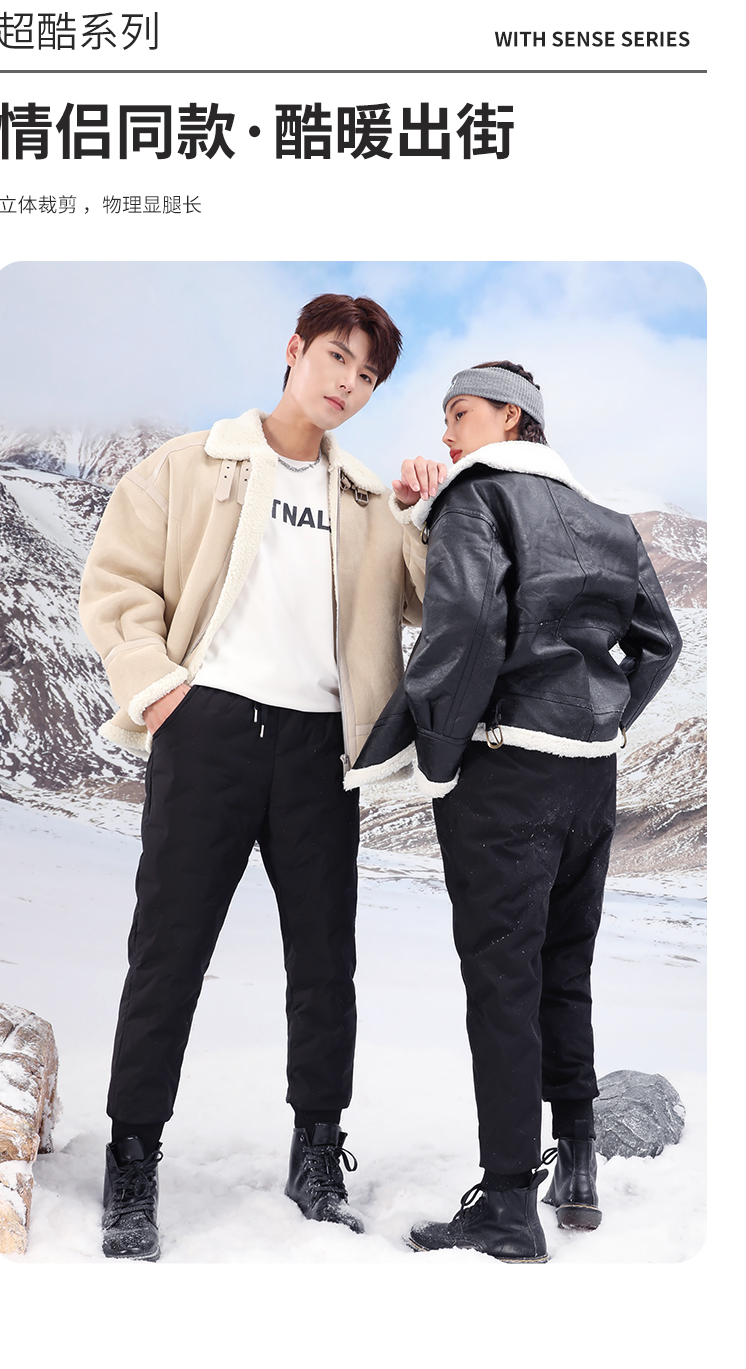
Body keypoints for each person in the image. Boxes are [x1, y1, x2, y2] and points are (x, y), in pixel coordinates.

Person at [79, 294, 427, 1260]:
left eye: (367, 374)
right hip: (211, 730)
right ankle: (132, 1160)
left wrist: (424, 510)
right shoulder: (192, 463)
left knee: (323, 963)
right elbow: (116, 581)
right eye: (336, 357)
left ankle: (317, 1152)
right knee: (169, 951)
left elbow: (424, 599)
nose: (348, 383)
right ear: (294, 349)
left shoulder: (367, 497)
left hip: (322, 749)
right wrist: (158, 688)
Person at [347, 361, 682, 1263]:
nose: (447, 431)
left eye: (460, 412)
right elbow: (661, 641)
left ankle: (505, 1206)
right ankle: (577, 1168)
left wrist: (438, 754)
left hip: (505, 773)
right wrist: (602, 720)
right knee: (564, 969)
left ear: (511, 417)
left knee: (503, 984)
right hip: (590, 779)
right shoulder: (607, 521)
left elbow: (462, 628)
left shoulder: (477, 497)